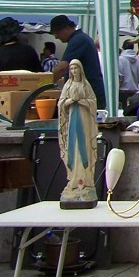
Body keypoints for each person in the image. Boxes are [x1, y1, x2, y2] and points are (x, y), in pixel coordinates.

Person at [58, 59, 98, 207]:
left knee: (85, 148)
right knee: (72, 148)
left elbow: (93, 101)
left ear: (80, 70)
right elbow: (61, 103)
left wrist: (81, 101)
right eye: (72, 69)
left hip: (84, 121)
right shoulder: (68, 85)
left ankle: (86, 180)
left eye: (76, 68)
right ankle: (74, 179)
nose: (74, 71)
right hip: (72, 121)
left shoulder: (85, 85)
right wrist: (69, 101)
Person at [49, 15, 106, 110]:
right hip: (86, 94)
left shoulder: (78, 40)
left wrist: (45, 83)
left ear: (67, 28)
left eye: (57, 32)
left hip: (87, 96)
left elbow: (62, 68)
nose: (56, 36)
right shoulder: (80, 38)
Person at [118, 39, 139, 105]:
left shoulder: (120, 59)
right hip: (135, 91)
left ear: (123, 48)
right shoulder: (138, 60)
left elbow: (120, 76)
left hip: (122, 91)